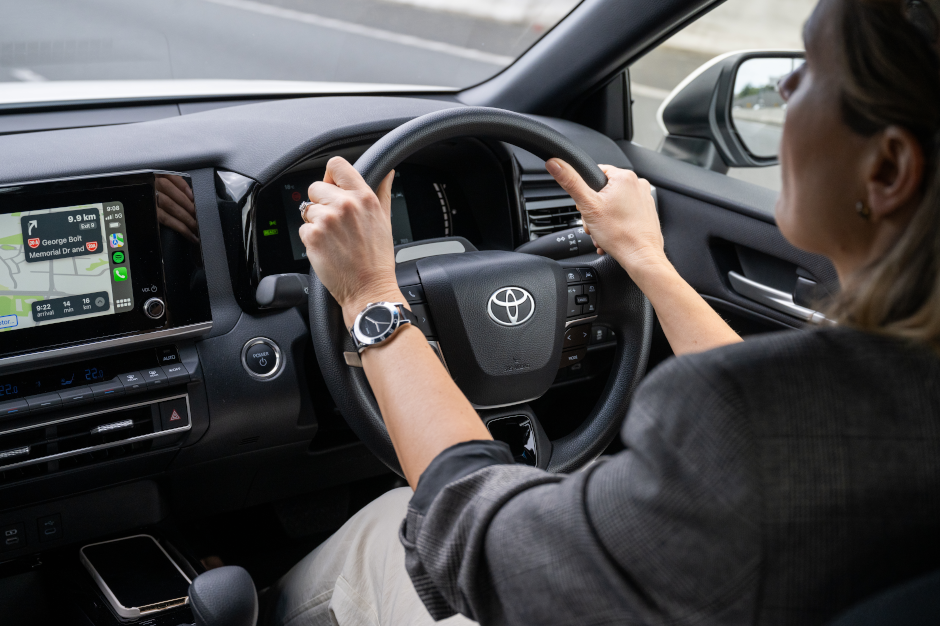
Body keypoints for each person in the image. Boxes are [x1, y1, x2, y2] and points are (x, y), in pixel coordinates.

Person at [266, 0, 940, 624]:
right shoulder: (862, 410)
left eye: (810, 72)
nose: (786, 92)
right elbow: (782, 419)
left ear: (887, 171)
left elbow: (474, 541)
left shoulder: (746, 433)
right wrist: (645, 259)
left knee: (390, 525)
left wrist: (370, 295)